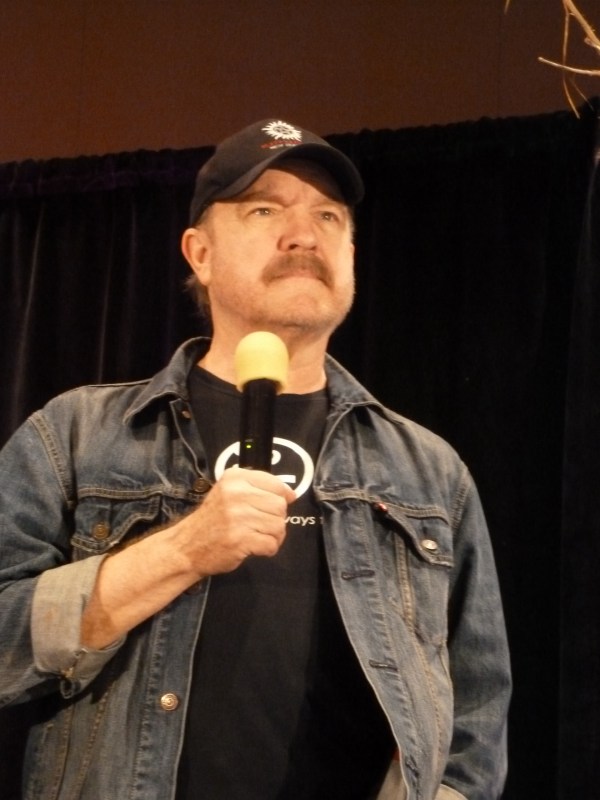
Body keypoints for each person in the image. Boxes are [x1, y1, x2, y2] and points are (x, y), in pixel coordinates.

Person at [0, 118, 511, 800]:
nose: (304, 235)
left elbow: (476, 714)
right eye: (264, 210)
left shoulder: (428, 471)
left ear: (351, 253)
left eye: (328, 216)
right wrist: (182, 550)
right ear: (200, 253)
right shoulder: (75, 435)